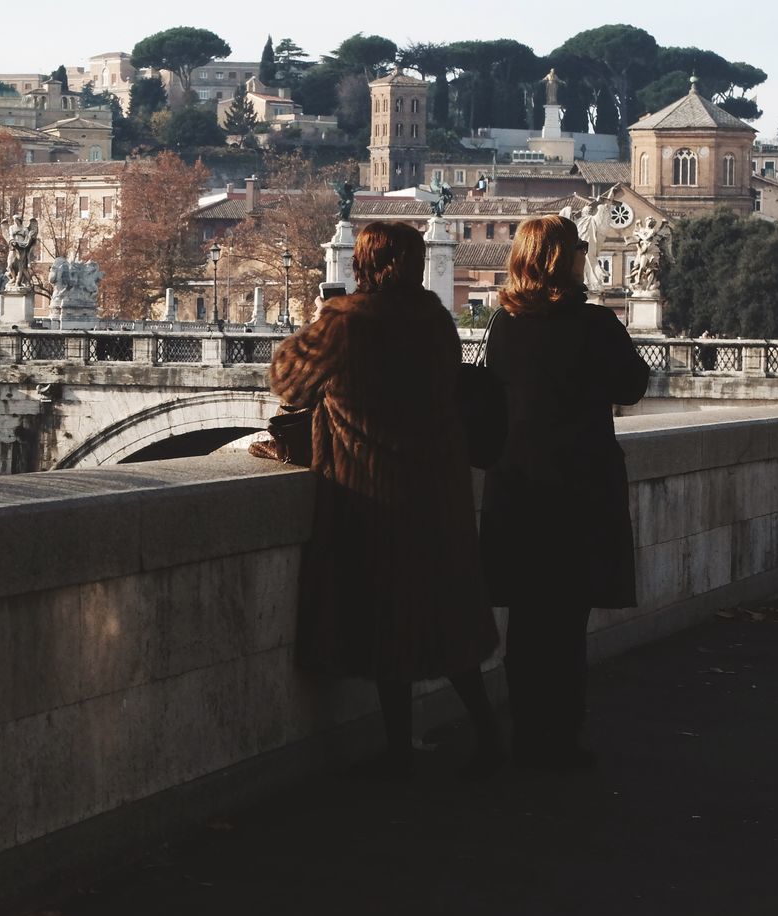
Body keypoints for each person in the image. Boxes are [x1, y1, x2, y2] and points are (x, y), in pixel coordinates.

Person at [270, 221, 501, 779]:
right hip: (435, 491)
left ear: (362, 262)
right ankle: (489, 730)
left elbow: (288, 382)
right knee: (441, 618)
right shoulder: (435, 320)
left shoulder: (346, 321)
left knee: (382, 617)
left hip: (370, 492)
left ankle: (399, 751)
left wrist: (312, 324)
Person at [478, 215, 649, 771]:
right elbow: (632, 385)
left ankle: (526, 734)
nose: (584, 253)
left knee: (526, 622)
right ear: (562, 259)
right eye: (578, 247)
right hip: (579, 488)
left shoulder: (504, 324)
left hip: (518, 489)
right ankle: (562, 737)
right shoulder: (594, 324)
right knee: (566, 621)